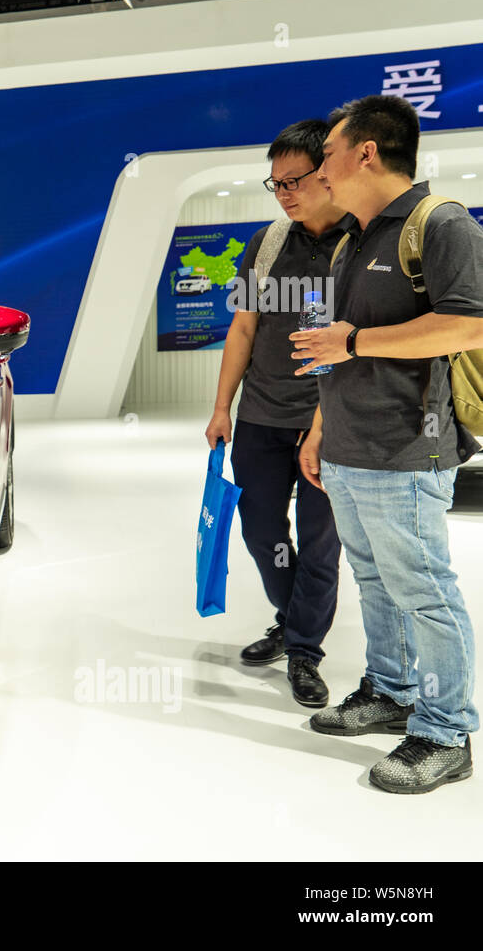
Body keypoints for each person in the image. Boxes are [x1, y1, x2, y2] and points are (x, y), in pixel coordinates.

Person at [294, 94, 483, 794]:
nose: (322, 170)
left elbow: (469, 326)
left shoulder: (442, 225)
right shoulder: (353, 238)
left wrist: (353, 341)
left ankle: (443, 728)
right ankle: (393, 689)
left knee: (423, 590)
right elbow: (335, 351)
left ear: (366, 151)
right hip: (347, 447)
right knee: (376, 582)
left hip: (409, 449)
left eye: (329, 155)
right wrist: (319, 428)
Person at [205, 120, 347, 707]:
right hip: (262, 417)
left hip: (333, 422)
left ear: (328, 173)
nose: (285, 191)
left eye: (296, 179)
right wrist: (222, 407)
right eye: (276, 182)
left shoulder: (358, 246)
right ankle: (291, 621)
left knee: (319, 542)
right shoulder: (266, 244)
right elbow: (243, 328)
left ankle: (306, 651)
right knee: (262, 532)